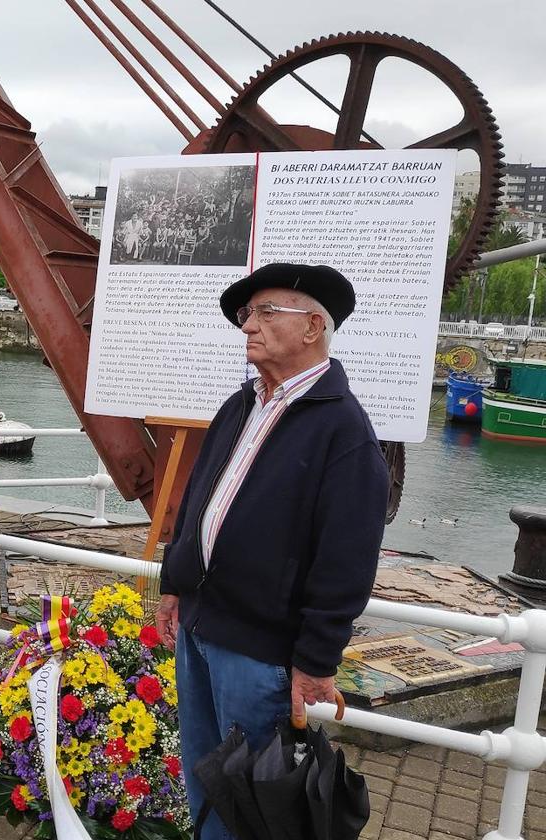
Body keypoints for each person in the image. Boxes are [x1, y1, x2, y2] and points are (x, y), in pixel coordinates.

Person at [153, 263, 389, 839]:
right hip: (201, 628)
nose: (247, 326)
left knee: (257, 800)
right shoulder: (242, 404)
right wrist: (175, 581)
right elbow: (199, 498)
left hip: (261, 651)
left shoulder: (344, 430)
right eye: (245, 315)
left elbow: (347, 558)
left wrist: (315, 660)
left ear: (313, 327)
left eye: (264, 313)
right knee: (206, 781)